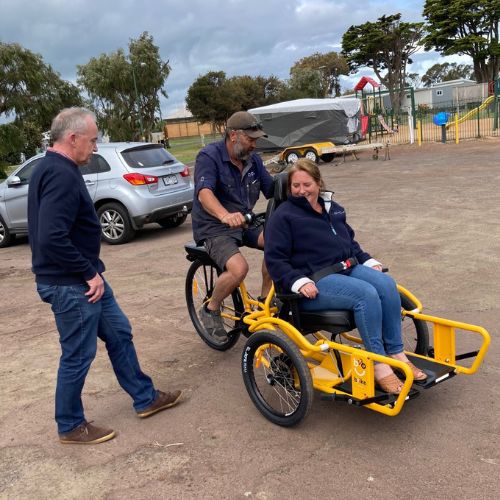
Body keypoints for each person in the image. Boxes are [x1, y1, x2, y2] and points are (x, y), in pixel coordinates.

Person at [28, 107, 182, 444]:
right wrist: (88, 273)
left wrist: (91, 272)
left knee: (119, 334)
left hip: (83, 279)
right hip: (73, 285)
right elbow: (51, 237)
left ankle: (145, 398)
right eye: (93, 140)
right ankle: (69, 425)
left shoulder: (51, 167)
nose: (95, 147)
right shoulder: (60, 174)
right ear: (72, 138)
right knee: (78, 355)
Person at [264, 159, 427, 393]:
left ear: (318, 183)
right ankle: (379, 364)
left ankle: (397, 353)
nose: (301, 191)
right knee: (366, 294)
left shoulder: (333, 208)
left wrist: (368, 260)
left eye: (306, 184)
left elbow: (349, 242)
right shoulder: (284, 216)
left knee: (387, 284)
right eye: (295, 186)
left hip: (345, 267)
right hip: (315, 280)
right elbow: (274, 260)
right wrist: (298, 282)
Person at [191, 111, 274, 342]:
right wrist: (224, 215)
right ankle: (211, 309)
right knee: (239, 269)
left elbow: (272, 190)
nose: (254, 145)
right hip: (214, 226)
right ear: (234, 135)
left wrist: (299, 189)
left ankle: (264, 307)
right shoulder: (209, 156)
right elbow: (204, 193)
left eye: (256, 140)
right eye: (251, 139)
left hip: (245, 221)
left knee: (278, 243)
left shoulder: (253, 160)